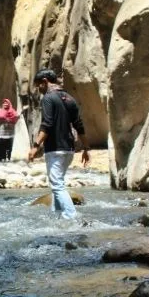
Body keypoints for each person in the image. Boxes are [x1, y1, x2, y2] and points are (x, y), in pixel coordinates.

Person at [27, 69, 90, 219]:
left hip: (55, 149)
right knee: (58, 185)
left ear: (45, 81)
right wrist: (86, 148)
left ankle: (71, 217)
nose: (39, 89)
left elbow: (47, 124)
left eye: (38, 85)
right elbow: (79, 125)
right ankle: (57, 216)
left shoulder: (48, 98)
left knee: (57, 185)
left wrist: (35, 146)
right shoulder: (69, 98)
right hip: (69, 150)